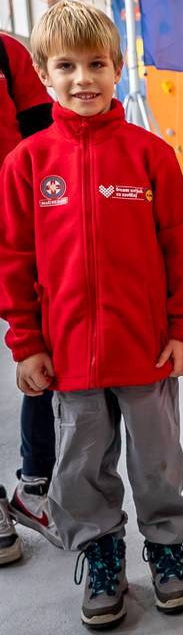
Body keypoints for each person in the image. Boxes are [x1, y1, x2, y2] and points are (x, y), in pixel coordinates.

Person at [0, 1, 183, 626]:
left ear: (119, 69)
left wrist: (182, 329)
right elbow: (13, 259)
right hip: (69, 356)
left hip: (145, 349)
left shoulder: (150, 155)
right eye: (66, 66)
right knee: (80, 463)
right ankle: (101, 550)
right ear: (42, 71)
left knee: (157, 460)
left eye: (96, 64)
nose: (83, 78)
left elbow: (180, 246)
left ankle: (167, 546)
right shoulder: (26, 165)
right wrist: (27, 343)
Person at [0, 31, 59, 562]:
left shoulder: (6, 52)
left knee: (41, 355)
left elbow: (45, 144)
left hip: (21, 224)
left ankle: (35, 485)